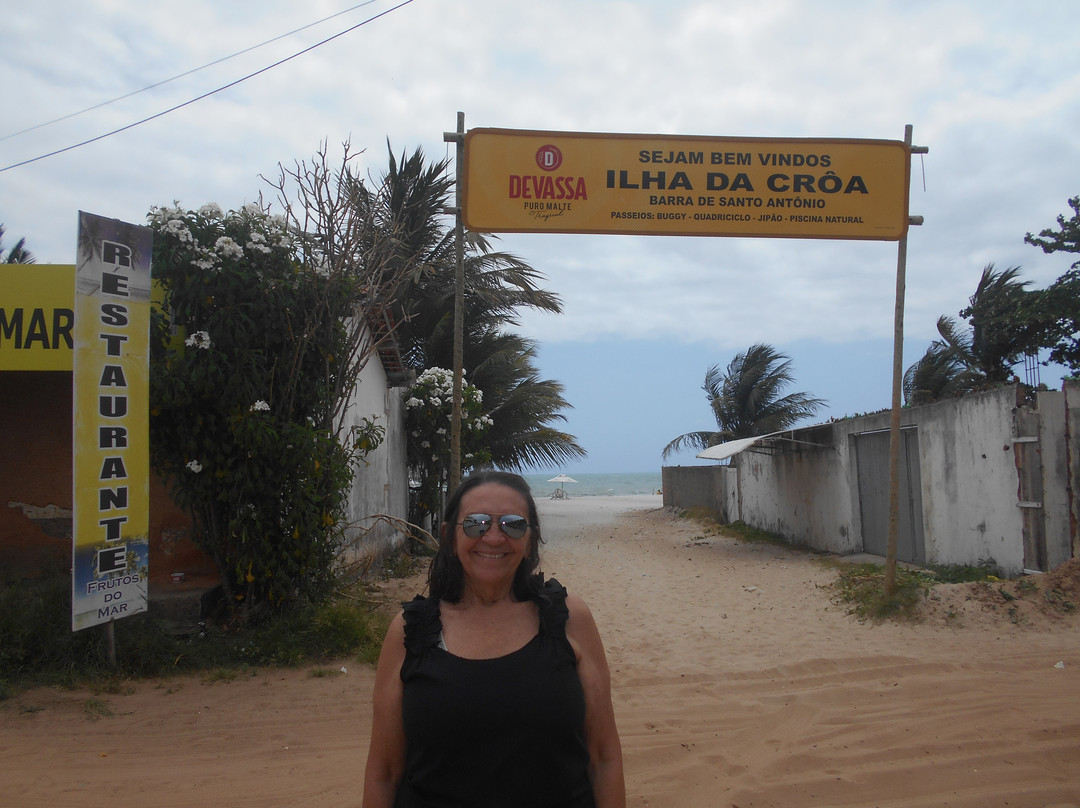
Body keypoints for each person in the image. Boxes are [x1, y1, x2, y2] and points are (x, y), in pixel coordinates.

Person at [363, 470, 625, 808]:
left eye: (513, 524)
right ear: (449, 537)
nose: (493, 537)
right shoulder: (410, 631)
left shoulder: (569, 621)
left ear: (531, 538)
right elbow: (384, 772)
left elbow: (603, 757)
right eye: (476, 523)